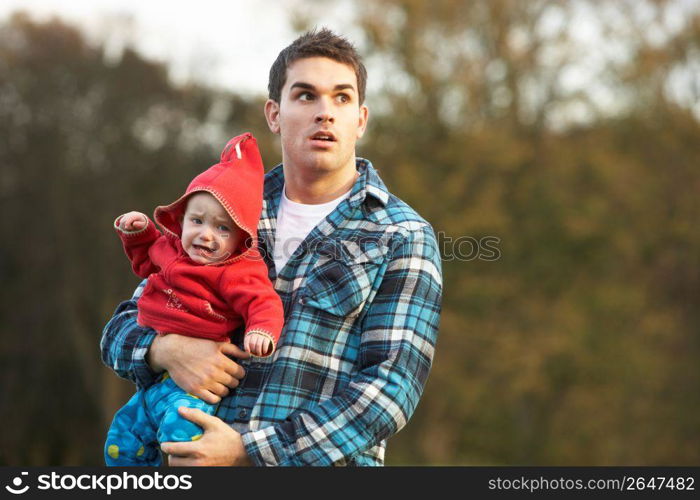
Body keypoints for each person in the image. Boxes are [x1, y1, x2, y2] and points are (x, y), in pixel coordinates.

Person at [101, 28, 442, 466]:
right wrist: (163, 350)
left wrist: (250, 453)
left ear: (360, 119)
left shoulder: (403, 236)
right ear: (274, 113)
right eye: (306, 96)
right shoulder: (219, 209)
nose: (325, 113)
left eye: (341, 98)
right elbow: (122, 327)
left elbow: (389, 391)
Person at [104, 133, 284, 465]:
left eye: (222, 229)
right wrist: (138, 232)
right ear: (181, 219)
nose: (205, 234)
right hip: (154, 375)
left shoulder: (237, 270)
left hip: (195, 387)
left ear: (241, 238)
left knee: (182, 438)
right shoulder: (173, 250)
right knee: (123, 437)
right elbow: (145, 260)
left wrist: (262, 331)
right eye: (197, 221)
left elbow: (264, 302)